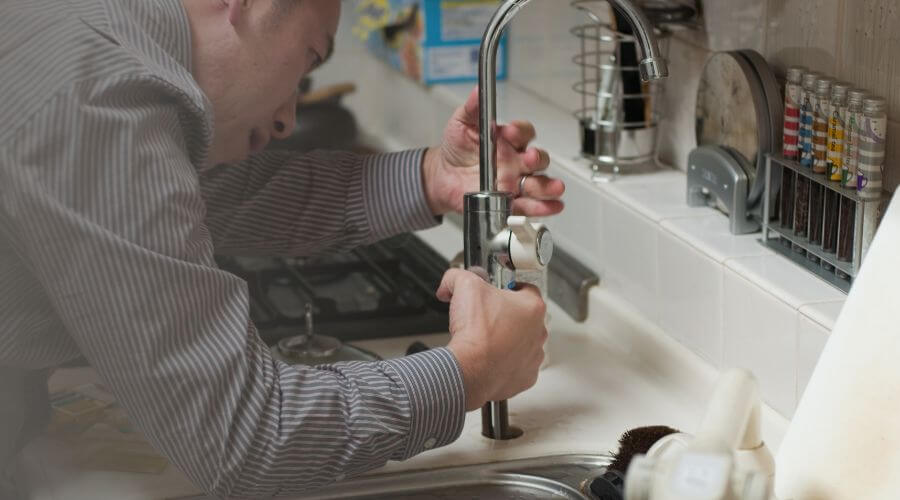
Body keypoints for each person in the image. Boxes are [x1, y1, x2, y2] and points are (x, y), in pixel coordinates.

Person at [0, 0, 565, 497]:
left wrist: (432, 177)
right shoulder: (100, 97)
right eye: (307, 61)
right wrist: (472, 370)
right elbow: (244, 438)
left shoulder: (94, 31)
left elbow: (204, 197)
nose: (286, 117)